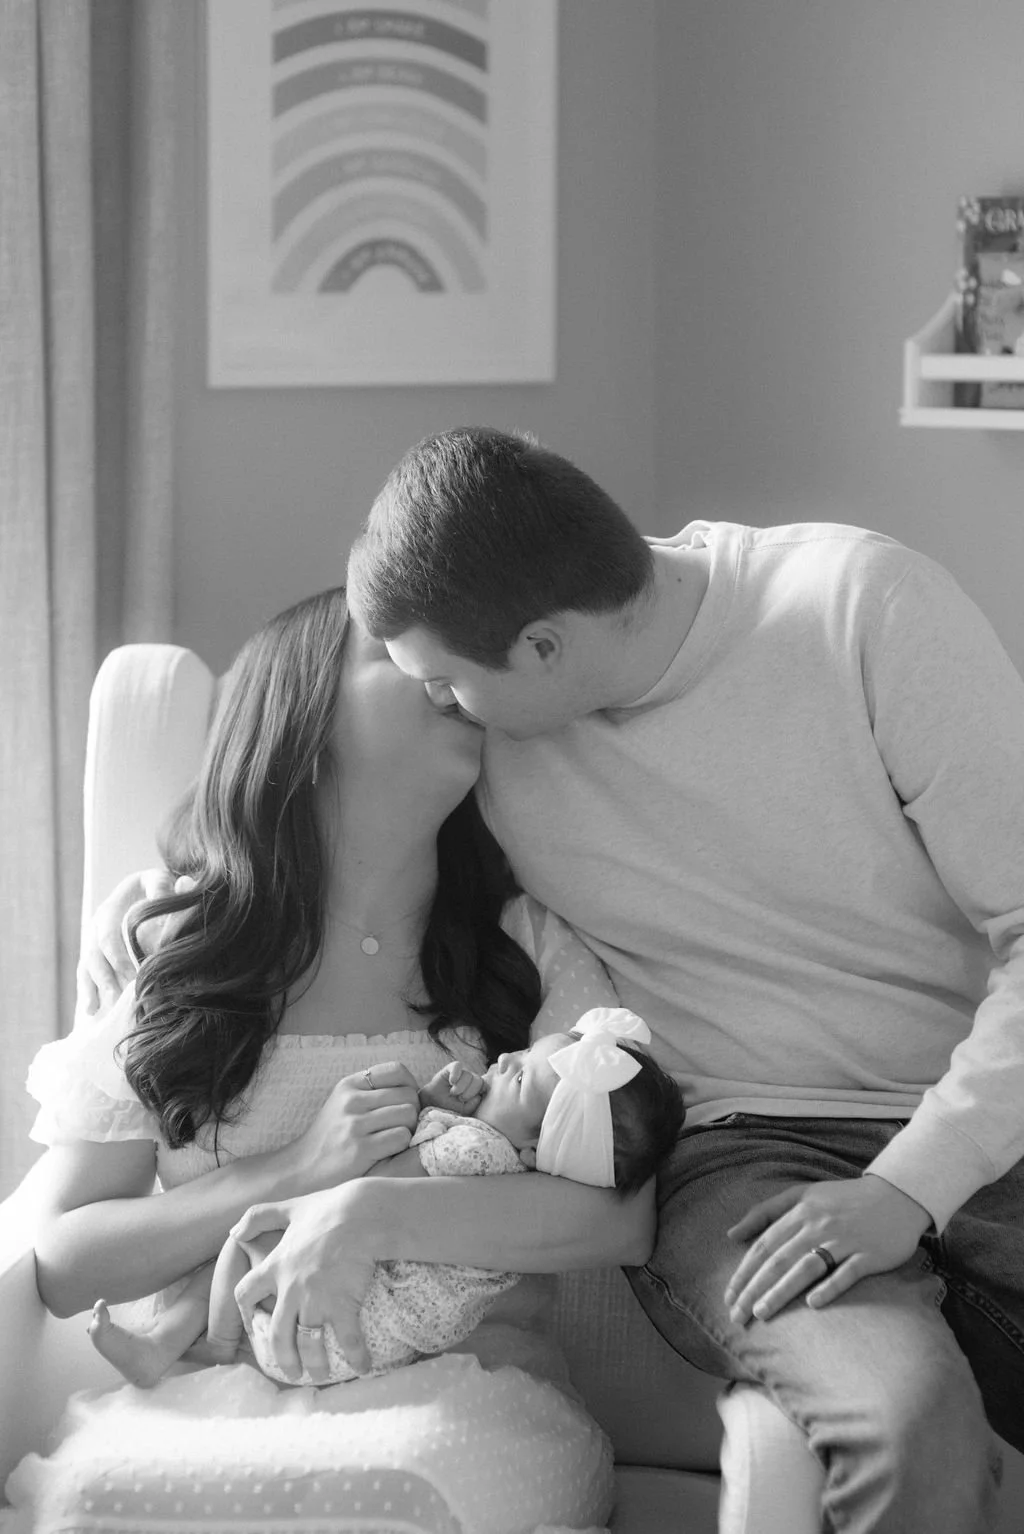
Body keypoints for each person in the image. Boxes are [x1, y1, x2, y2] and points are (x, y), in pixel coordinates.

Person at [309, 424, 1022, 1534]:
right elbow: (321, 805)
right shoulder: (494, 735)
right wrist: (171, 907)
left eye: (446, 685)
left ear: (543, 647)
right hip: (735, 1153)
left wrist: (909, 1185)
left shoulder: (864, 611)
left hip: (982, 1123)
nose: (438, 710)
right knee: (907, 1423)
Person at [6, 585, 654, 1534]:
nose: (449, 673)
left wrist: (360, 1210)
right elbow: (65, 1261)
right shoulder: (180, 953)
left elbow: (621, 1217)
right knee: (91, 1503)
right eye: (397, 653)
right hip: (206, 1401)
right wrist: (296, 1170)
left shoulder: (524, 948)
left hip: (462, 1397)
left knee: (390, 1497)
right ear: (302, 726)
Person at [87, 1011, 682, 1391]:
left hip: (337, 1321)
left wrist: (427, 1109)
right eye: (522, 1055)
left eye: (520, 1077)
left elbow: (387, 1177)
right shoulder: (502, 1166)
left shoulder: (475, 1148)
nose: (504, 1060)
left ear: (535, 1147)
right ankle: (210, 1352)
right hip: (374, 1351)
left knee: (248, 1237)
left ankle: (203, 1348)